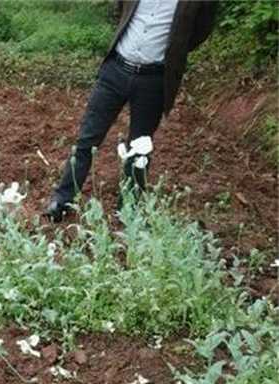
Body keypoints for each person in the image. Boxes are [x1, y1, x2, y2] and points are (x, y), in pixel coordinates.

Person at [45, 0, 218, 222]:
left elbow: (199, 32)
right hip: (115, 71)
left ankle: (127, 212)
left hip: (154, 80)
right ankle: (62, 200)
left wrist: (174, 46)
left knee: (139, 150)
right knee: (87, 139)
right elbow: (122, 8)